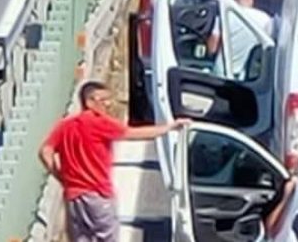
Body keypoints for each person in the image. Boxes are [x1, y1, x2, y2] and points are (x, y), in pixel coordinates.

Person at [39, 82, 189, 242]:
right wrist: (169, 127)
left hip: (73, 198)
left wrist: (63, 178)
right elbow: (134, 133)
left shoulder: (65, 126)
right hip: (98, 195)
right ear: (89, 102)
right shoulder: (99, 123)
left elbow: (45, 151)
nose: (108, 104)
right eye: (103, 100)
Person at [206, 0, 274, 81]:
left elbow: (213, 48)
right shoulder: (264, 19)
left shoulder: (225, 14)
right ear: (252, 0)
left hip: (222, 70)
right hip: (247, 73)